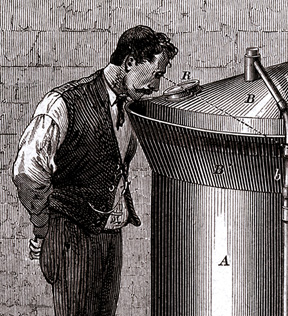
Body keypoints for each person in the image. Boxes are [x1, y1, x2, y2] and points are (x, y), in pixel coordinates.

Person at [12, 25, 177, 315]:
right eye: (156, 74)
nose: (156, 86)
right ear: (129, 63)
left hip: (109, 237)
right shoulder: (64, 103)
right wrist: (41, 225)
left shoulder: (132, 102)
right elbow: (28, 169)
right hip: (72, 237)